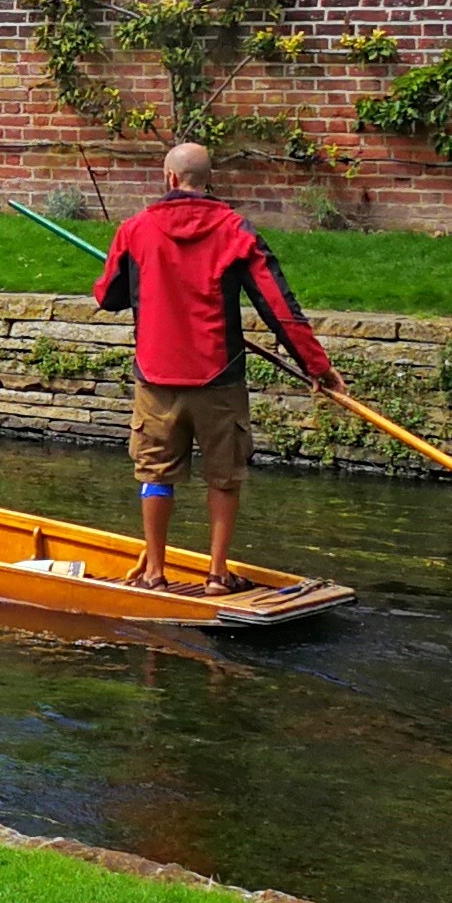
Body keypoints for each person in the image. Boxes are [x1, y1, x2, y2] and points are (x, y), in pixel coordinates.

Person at [94, 139, 338, 594]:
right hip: (218, 377)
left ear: (169, 179)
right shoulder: (237, 231)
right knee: (224, 477)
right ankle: (216, 575)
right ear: (210, 181)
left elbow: (107, 296)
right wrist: (317, 367)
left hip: (156, 378)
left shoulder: (134, 230)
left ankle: (154, 573)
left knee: (155, 474)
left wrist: (132, 281)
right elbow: (278, 307)